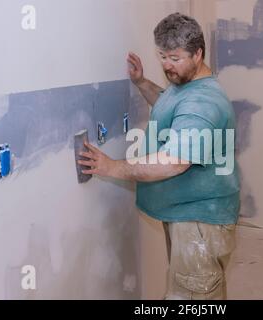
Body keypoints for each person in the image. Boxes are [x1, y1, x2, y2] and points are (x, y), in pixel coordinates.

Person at [78, 13, 240, 300]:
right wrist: (142, 83)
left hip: (199, 223)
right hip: (186, 213)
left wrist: (112, 166)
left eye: (175, 58)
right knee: (188, 287)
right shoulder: (187, 88)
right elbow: (169, 102)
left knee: (194, 297)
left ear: (198, 53)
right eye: (162, 56)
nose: (167, 65)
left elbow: (173, 161)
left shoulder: (202, 103)